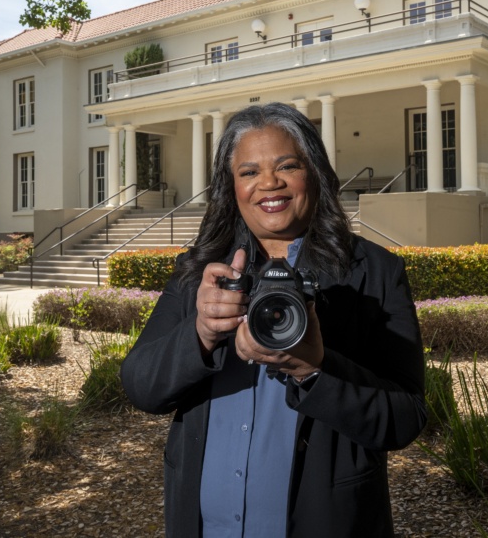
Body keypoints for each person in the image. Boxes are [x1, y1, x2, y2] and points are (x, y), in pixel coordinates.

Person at [121, 102, 426, 538]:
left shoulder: (374, 273)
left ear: (314, 172)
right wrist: (201, 333)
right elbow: (141, 387)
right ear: (231, 187)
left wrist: (316, 371)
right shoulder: (202, 272)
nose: (269, 183)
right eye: (248, 172)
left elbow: (406, 417)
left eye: (287, 165)